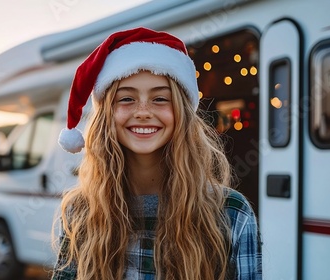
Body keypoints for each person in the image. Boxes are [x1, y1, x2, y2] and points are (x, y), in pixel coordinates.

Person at [53, 27, 262, 280]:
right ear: (107, 116)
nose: (143, 111)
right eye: (126, 99)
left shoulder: (232, 213)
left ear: (182, 114)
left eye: (160, 99)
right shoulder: (81, 211)